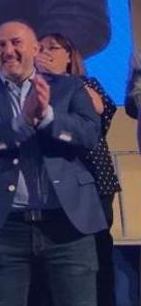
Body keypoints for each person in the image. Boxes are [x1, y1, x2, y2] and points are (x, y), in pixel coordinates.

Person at [0, 21, 104, 306]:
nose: (8, 51)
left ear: (35, 49)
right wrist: (21, 124)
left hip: (67, 224)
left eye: (15, 42)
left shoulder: (69, 86)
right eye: (0, 45)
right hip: (3, 228)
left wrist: (48, 116)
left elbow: (90, 134)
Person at [36, 33, 121, 306]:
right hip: (58, 181)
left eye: (53, 48)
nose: (45, 53)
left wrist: (63, 80)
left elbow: (100, 114)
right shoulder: (36, 89)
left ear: (69, 55)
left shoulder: (85, 83)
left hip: (95, 178)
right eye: (40, 48)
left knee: (98, 250)